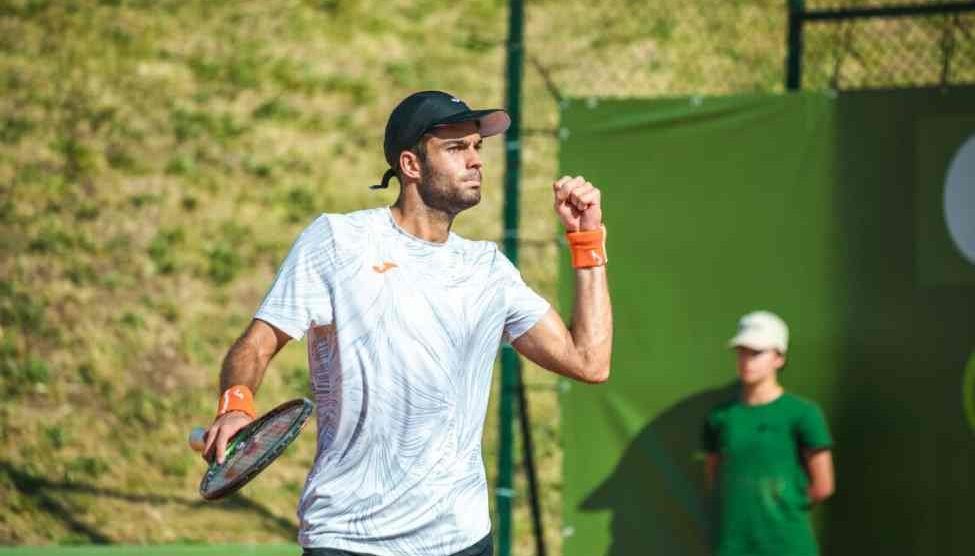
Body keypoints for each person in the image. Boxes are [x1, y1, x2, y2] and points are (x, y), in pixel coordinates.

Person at [201, 90, 613, 556]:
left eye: (478, 147)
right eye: (456, 148)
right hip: (347, 538)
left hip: (460, 540)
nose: (476, 161)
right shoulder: (338, 241)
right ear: (411, 166)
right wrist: (235, 404)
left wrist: (586, 241)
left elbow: (590, 361)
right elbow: (256, 344)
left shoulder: (489, 270)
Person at [701, 311, 834, 556]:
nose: (747, 360)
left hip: (788, 545)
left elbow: (823, 486)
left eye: (757, 353)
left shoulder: (804, 413)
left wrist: (782, 506)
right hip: (732, 545)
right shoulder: (720, 417)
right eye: (742, 351)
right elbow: (715, 478)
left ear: (779, 358)